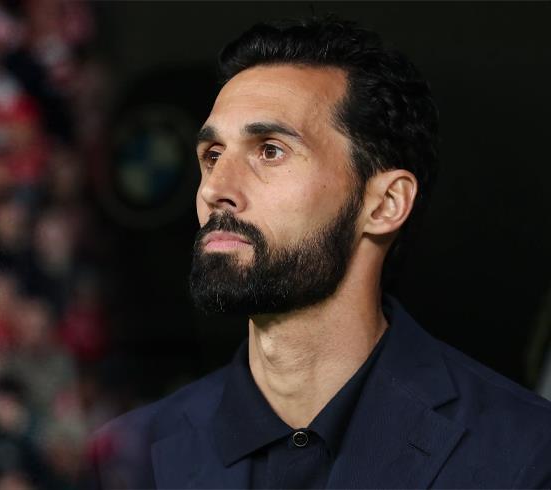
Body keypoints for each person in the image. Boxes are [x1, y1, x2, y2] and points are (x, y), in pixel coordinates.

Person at [90, 18, 551, 489]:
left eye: (269, 151)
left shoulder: (525, 452)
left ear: (385, 204)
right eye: (212, 155)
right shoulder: (125, 460)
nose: (214, 189)